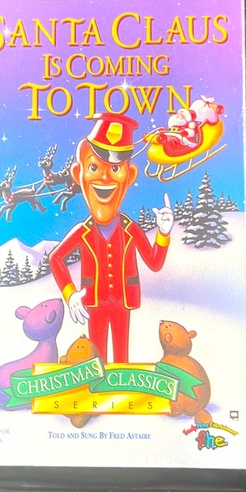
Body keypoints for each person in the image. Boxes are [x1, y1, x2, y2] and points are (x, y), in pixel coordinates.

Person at [49, 112, 174, 363]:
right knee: (96, 355)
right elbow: (56, 258)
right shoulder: (83, 231)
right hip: (94, 301)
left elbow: (154, 262)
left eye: (115, 168)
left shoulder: (130, 229)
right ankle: (97, 384)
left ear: (130, 176)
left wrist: (163, 233)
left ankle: (120, 383)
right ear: (78, 173)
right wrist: (70, 294)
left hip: (122, 301)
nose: (105, 178)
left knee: (121, 356)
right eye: (94, 167)